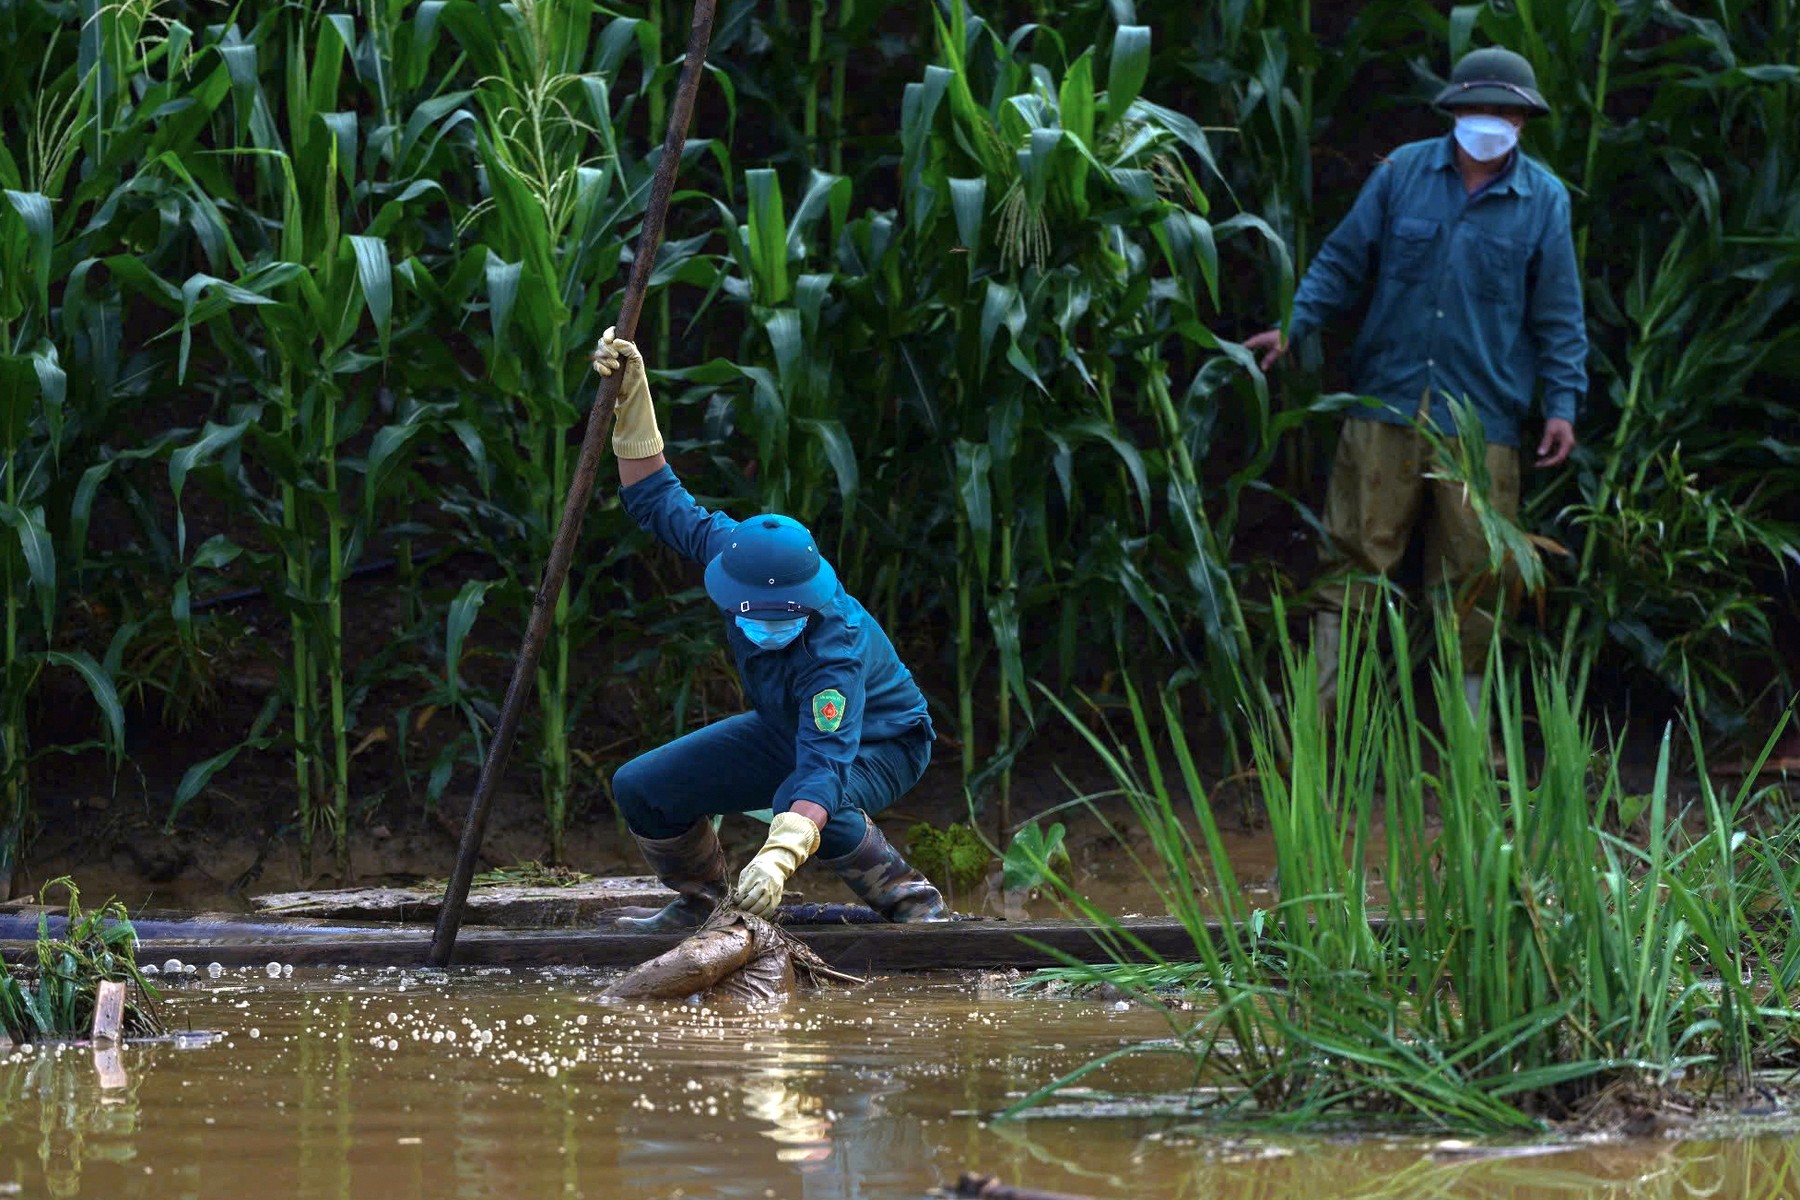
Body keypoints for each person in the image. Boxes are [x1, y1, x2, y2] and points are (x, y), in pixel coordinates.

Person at [1246, 47, 1589, 716]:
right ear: (1452, 111)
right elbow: (1342, 261)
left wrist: (1563, 404)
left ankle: (1466, 745)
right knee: (1352, 561)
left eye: (1503, 109)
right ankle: (1320, 731)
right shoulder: (1402, 174)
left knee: (1478, 577)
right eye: (1477, 107)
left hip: (1484, 415)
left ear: (1524, 119)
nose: (1488, 119)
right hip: (1386, 400)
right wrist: (1293, 324)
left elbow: (1558, 312)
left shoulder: (1544, 200)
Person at [591, 328, 947, 930]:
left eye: (788, 619)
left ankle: (912, 903)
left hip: (882, 741)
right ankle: (701, 907)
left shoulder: (835, 652)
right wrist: (631, 396)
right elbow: (655, 497)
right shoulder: (729, 550)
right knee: (641, 787)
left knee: (812, 807)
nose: (772, 628)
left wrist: (779, 858)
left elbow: (824, 768)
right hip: (784, 725)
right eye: (760, 618)